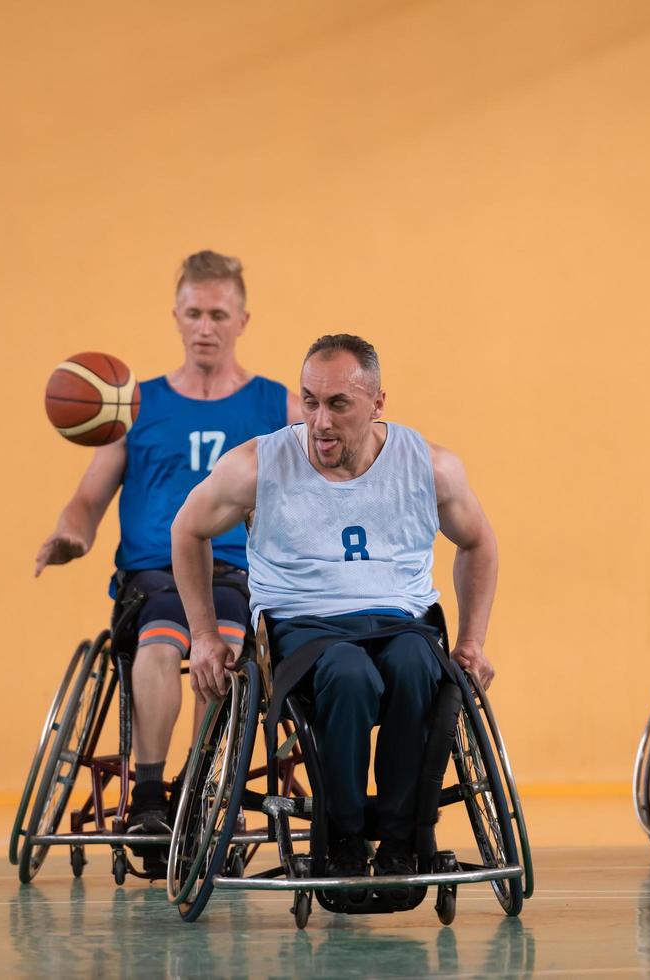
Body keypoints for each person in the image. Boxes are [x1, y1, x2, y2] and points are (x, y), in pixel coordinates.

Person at [170, 333, 498, 887]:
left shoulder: (429, 466)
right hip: (302, 627)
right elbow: (186, 529)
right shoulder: (259, 464)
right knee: (348, 673)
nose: (320, 421)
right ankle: (342, 837)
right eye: (310, 401)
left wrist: (472, 640)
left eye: (339, 404)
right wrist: (203, 633)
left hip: (400, 621)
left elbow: (479, 543)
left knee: (420, 665)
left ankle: (402, 840)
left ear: (377, 404)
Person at [34, 250, 298, 847]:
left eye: (218, 314)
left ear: (242, 321)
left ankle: (203, 785)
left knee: (228, 644)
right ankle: (150, 797)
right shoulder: (134, 406)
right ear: (176, 317)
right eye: (194, 313)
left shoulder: (276, 407)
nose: (206, 327)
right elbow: (87, 501)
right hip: (151, 575)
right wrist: (72, 534)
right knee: (162, 637)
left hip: (235, 573)